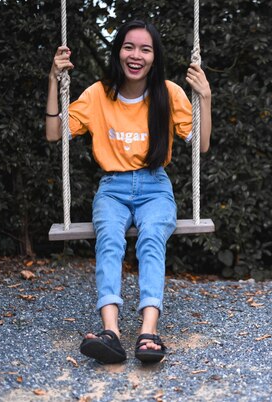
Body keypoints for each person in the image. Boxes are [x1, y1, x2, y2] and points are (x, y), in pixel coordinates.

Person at [45, 19, 212, 364]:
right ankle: (112, 332)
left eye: (145, 49)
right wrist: (53, 81)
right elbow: (53, 133)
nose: (136, 55)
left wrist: (205, 98)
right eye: (129, 47)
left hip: (155, 186)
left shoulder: (170, 93)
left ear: (155, 56)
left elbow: (202, 144)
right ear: (118, 51)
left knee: (152, 237)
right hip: (113, 188)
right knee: (110, 239)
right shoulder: (97, 95)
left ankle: (148, 332)